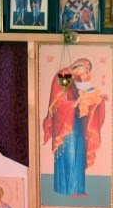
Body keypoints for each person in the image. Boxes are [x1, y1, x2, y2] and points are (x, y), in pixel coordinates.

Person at [42, 57, 107, 196]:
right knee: (70, 152)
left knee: (80, 153)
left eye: (86, 71)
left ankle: (79, 189)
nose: (84, 73)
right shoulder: (63, 75)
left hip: (76, 122)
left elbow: (84, 101)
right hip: (65, 125)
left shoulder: (77, 83)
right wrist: (76, 103)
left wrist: (98, 101)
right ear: (78, 66)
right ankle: (69, 188)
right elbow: (58, 103)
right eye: (84, 69)